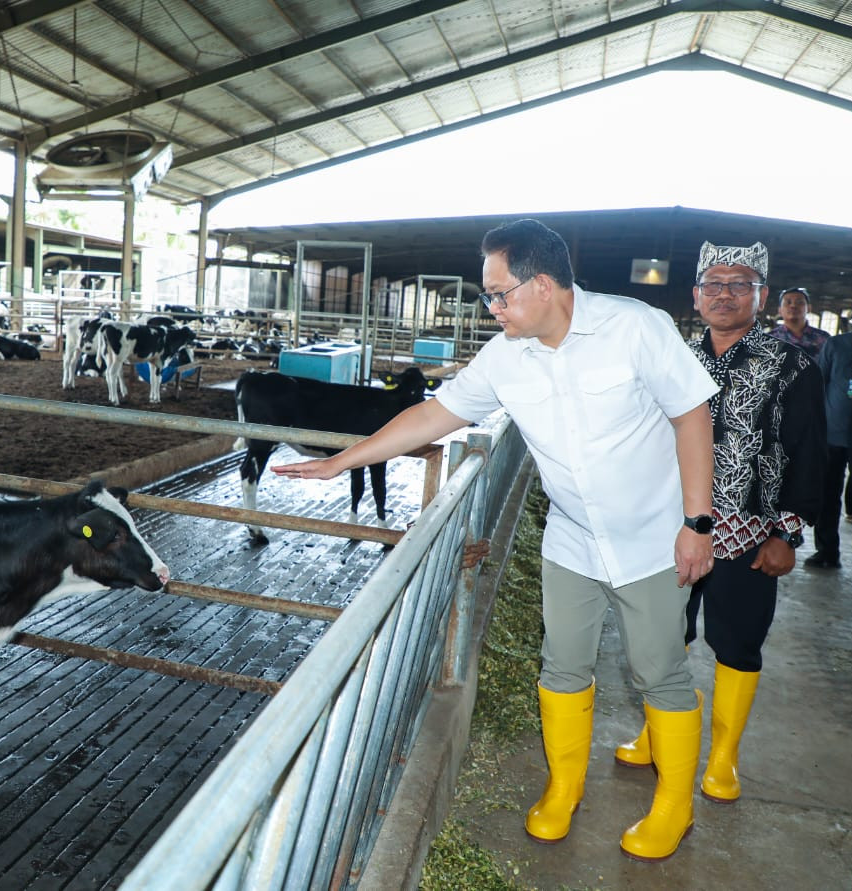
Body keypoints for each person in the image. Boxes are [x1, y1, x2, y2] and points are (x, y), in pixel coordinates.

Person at [271, 218, 717, 862]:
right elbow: (433, 414)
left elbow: (691, 414)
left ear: (543, 285)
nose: (491, 308)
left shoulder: (635, 327)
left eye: (498, 294)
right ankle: (564, 787)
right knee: (562, 665)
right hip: (570, 538)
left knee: (658, 671)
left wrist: (697, 523)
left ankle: (675, 804)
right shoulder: (505, 355)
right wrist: (343, 459)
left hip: (652, 534)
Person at [614, 241, 825, 808]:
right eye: (713, 283)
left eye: (739, 284)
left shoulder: (793, 365)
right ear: (696, 294)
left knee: (736, 641)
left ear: (760, 295)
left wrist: (789, 533)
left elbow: (809, 452)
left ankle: (724, 757)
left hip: (749, 530)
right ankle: (659, 730)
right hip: (675, 523)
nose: (724, 294)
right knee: (664, 633)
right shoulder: (675, 356)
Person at [808, 288, 852, 578]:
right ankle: (827, 552)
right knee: (826, 497)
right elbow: (818, 385)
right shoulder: (836, 345)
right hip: (830, 437)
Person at [768, 286, 829, 359]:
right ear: (779, 310)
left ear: (809, 308)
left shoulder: (823, 338)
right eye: (788, 302)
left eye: (799, 302)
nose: (793, 306)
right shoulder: (770, 339)